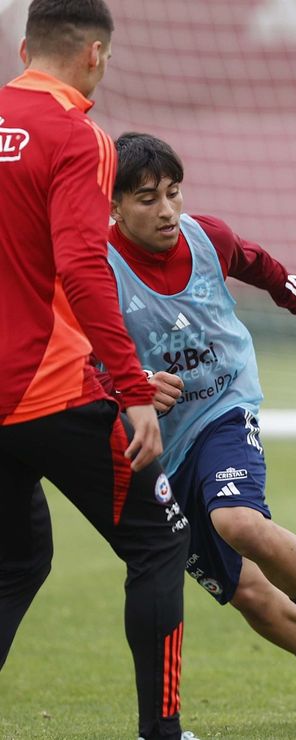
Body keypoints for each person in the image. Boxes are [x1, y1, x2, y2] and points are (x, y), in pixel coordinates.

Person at [105, 132, 296, 728]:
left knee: (237, 519)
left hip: (225, 408)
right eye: (146, 198)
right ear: (112, 205)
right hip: (159, 448)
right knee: (246, 594)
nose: (167, 210)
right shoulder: (96, 265)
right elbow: (83, 354)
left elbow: (257, 263)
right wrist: (132, 382)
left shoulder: (205, 237)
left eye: (173, 193)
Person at [0, 3, 192, 739]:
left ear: (23, 49)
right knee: (159, 540)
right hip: (50, 390)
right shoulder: (79, 136)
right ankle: (162, 732)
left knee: (17, 562)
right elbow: (82, 266)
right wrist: (133, 390)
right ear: (94, 53)